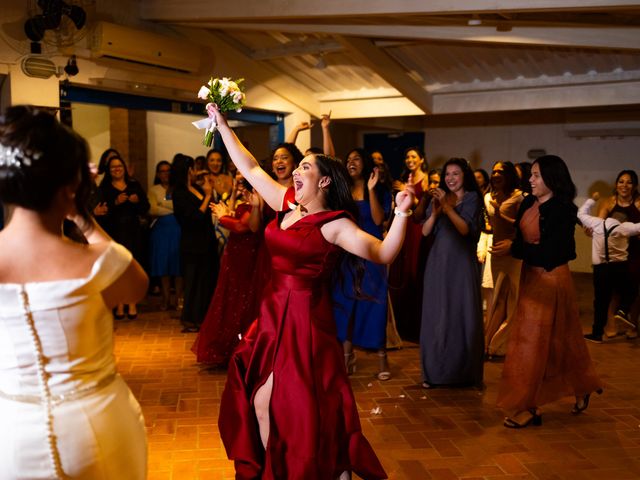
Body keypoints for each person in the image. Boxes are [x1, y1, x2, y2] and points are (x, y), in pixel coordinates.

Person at [209, 103, 414, 480]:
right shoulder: (286, 204)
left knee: (298, 405)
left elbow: (383, 253)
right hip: (272, 316)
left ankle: (324, 466)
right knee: (260, 400)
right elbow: (251, 168)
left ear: (323, 181)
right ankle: (284, 471)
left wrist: (401, 214)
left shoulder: (334, 225)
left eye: (305, 167)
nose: (295, 171)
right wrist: (222, 126)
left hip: (304, 321)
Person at [0, 105, 148, 478]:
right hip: (97, 427)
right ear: (73, 184)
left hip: (12, 434)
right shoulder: (100, 261)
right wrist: (83, 217)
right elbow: (136, 288)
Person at [496, 155, 603, 428]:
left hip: (551, 279)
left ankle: (527, 408)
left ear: (551, 179)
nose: (530, 180)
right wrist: (513, 243)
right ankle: (581, 385)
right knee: (559, 341)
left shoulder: (563, 210)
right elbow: (522, 238)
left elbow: (557, 253)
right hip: (531, 278)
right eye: (530, 175)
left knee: (531, 345)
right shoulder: (529, 203)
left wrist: (515, 249)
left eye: (535, 175)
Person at [420, 158, 484, 389]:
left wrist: (447, 207)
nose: (450, 178)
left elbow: (465, 229)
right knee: (437, 316)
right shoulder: (439, 199)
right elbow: (426, 232)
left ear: (464, 176)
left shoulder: (472, 198)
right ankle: (435, 372)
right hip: (438, 263)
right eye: (447, 174)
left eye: (455, 174)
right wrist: (436, 212)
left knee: (461, 314)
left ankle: (463, 373)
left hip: (461, 264)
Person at [192, 174, 263, 366]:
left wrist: (223, 217)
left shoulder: (257, 197)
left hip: (248, 256)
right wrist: (230, 201)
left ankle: (241, 348)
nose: (237, 183)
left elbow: (243, 226)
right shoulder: (241, 196)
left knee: (243, 299)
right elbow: (237, 217)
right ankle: (229, 347)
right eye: (236, 180)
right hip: (235, 253)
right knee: (229, 298)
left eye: (241, 180)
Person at [334, 148, 393, 380]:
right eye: (348, 159)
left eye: (356, 158)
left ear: (366, 163)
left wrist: (370, 190)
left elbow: (379, 220)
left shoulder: (380, 189)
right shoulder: (342, 191)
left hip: (371, 254)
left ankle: (381, 357)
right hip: (346, 253)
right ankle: (347, 357)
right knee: (345, 302)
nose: (351, 162)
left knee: (374, 304)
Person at [579, 192, 640, 343]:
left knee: (600, 301)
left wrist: (592, 200)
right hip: (620, 267)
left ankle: (597, 333)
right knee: (630, 290)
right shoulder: (625, 227)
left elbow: (581, 213)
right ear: (623, 220)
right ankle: (622, 310)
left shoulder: (596, 222)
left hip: (600, 269)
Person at [97, 155, 150, 319]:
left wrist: (136, 201)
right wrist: (115, 202)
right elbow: (102, 212)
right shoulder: (104, 188)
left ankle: (132, 303)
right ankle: (119, 305)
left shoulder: (133, 185)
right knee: (117, 269)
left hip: (133, 232)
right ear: (108, 170)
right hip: (115, 231)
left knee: (132, 267)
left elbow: (145, 207)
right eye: (113, 167)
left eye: (119, 166)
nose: (117, 169)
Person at [171, 154, 219, 333]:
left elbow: (208, 210)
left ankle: (203, 317)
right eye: (192, 168)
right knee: (193, 282)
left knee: (206, 281)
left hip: (206, 240)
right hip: (192, 243)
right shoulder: (179, 192)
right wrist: (206, 197)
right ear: (187, 170)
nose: (195, 171)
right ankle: (190, 319)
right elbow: (194, 218)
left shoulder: (195, 187)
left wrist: (209, 192)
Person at [388, 146, 429, 342]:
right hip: (402, 225)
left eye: (413, 156)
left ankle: (417, 328)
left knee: (414, 272)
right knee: (400, 272)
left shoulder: (427, 178)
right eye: (407, 156)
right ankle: (401, 327)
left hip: (417, 229)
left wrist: (409, 194)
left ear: (421, 159)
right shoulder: (403, 179)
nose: (409, 159)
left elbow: (424, 206)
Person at [484, 161, 524, 357]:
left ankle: (496, 344)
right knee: (498, 297)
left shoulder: (518, 196)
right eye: (494, 171)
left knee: (511, 300)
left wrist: (500, 213)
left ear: (509, 175)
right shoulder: (489, 196)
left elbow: (523, 225)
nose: (496, 174)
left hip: (513, 252)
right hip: (497, 252)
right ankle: (489, 344)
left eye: (501, 171)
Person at [598, 170, 640, 338]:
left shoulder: (638, 203)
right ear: (616, 185)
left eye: (629, 182)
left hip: (635, 252)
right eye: (621, 181)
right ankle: (611, 323)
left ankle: (633, 325)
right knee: (613, 290)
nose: (624, 185)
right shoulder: (608, 203)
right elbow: (599, 226)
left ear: (635, 186)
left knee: (634, 290)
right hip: (614, 253)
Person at [148, 160, 183, 311]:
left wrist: (163, 205)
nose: (165, 174)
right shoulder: (153, 190)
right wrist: (172, 207)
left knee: (178, 266)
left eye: (168, 170)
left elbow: (181, 208)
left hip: (178, 230)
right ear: (157, 174)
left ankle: (178, 299)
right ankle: (166, 299)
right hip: (161, 232)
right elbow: (153, 210)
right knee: (163, 267)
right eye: (162, 171)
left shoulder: (179, 189)